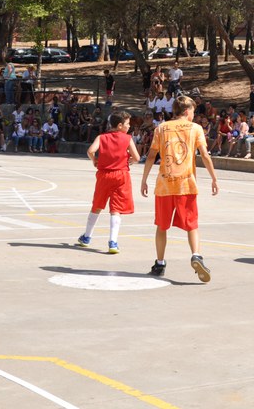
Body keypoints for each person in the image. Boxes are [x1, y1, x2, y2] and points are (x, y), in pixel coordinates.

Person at [140, 95, 219, 281]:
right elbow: (205, 155)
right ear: (187, 111)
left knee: (162, 226)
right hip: (186, 184)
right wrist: (214, 178)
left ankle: (160, 263)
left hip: (165, 185)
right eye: (193, 111)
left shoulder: (161, 128)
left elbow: (151, 155)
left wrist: (144, 179)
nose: (194, 114)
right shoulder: (195, 128)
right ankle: (196, 255)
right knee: (192, 225)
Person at [79, 111, 140, 254]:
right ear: (120, 126)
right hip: (121, 176)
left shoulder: (102, 137)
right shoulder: (127, 138)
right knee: (116, 208)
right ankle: (113, 241)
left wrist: (94, 160)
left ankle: (87, 236)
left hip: (104, 175)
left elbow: (90, 151)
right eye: (127, 124)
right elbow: (137, 157)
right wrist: (129, 161)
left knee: (97, 205)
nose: (129, 126)